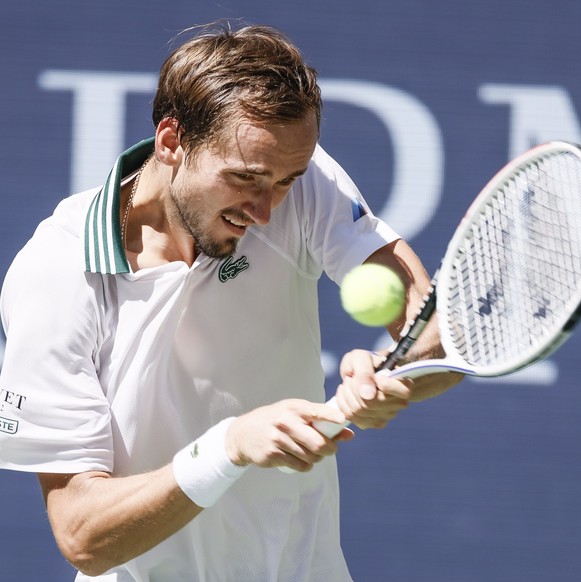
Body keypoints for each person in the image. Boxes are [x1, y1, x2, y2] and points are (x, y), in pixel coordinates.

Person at [0, 22, 461, 581]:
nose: (267, 211)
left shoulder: (300, 179)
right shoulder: (58, 273)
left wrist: (393, 378)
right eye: (246, 178)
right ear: (171, 142)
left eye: (287, 181)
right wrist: (228, 448)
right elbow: (82, 535)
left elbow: (432, 331)